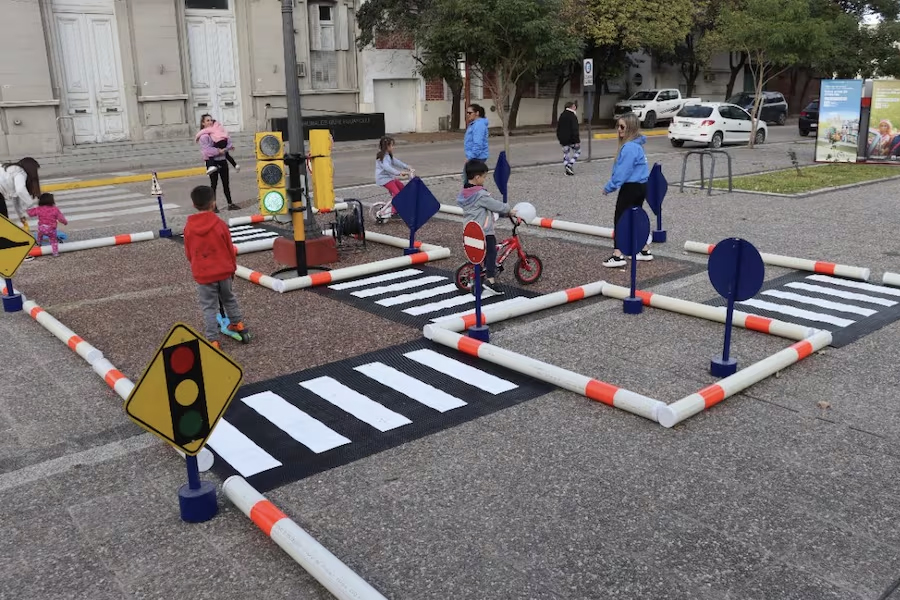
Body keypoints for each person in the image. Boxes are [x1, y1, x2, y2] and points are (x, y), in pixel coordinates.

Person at [183, 185, 247, 349]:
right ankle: (238, 324)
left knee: (209, 307)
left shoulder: (189, 228)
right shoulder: (220, 224)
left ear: (194, 205)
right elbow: (229, 248)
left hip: (204, 275)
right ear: (213, 203)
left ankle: (213, 339)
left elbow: (189, 253)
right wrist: (232, 268)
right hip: (224, 270)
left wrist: (196, 267)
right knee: (229, 298)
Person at [457, 159, 518, 295]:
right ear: (477, 177)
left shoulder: (464, 193)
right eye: (484, 177)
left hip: (470, 230)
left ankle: (478, 281)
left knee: (478, 255)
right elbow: (496, 205)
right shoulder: (480, 195)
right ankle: (490, 280)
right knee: (491, 253)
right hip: (484, 231)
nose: (485, 179)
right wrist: (508, 209)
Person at [602, 113, 653, 268]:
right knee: (634, 218)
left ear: (630, 128)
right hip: (641, 186)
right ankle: (644, 250)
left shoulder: (629, 147)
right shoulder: (637, 146)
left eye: (622, 126)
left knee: (621, 219)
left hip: (631, 187)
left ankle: (617, 255)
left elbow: (623, 171)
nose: (619, 130)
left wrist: (609, 187)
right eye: (618, 126)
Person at [0, 157, 41, 262]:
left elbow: (16, 198)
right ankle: (16, 254)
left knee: (4, 223)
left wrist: (22, 217)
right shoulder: (19, 172)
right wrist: (32, 206)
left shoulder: (10, 169)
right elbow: (20, 190)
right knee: (4, 225)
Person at [197, 115, 238, 212]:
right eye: (207, 120)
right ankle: (213, 206)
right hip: (213, 162)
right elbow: (207, 151)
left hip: (222, 161)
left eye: (211, 120)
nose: (210, 122)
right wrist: (219, 151)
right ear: (203, 123)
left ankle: (230, 203)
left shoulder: (218, 132)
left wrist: (228, 147)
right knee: (214, 184)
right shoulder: (204, 136)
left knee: (226, 184)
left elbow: (226, 143)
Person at [374, 136, 414, 220]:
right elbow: (387, 167)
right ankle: (394, 213)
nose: (393, 147)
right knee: (397, 194)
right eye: (392, 145)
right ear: (387, 146)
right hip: (384, 179)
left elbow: (396, 162)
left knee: (401, 187)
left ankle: (399, 205)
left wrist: (407, 167)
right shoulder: (383, 157)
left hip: (389, 178)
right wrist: (399, 173)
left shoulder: (388, 155)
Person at [463, 104, 489, 181]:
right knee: (472, 181)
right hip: (475, 157)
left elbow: (478, 143)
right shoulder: (475, 124)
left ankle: (473, 193)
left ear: (477, 113)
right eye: (467, 113)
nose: (468, 115)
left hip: (477, 158)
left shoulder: (479, 125)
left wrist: (470, 157)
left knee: (471, 181)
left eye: (470, 113)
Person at [556, 100, 581, 176]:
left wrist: (559, 138)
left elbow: (558, 128)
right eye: (574, 106)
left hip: (563, 139)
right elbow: (575, 129)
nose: (575, 108)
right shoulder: (573, 116)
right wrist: (577, 140)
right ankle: (569, 165)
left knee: (566, 153)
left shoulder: (562, 115)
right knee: (578, 151)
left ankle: (567, 169)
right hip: (572, 139)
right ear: (572, 107)